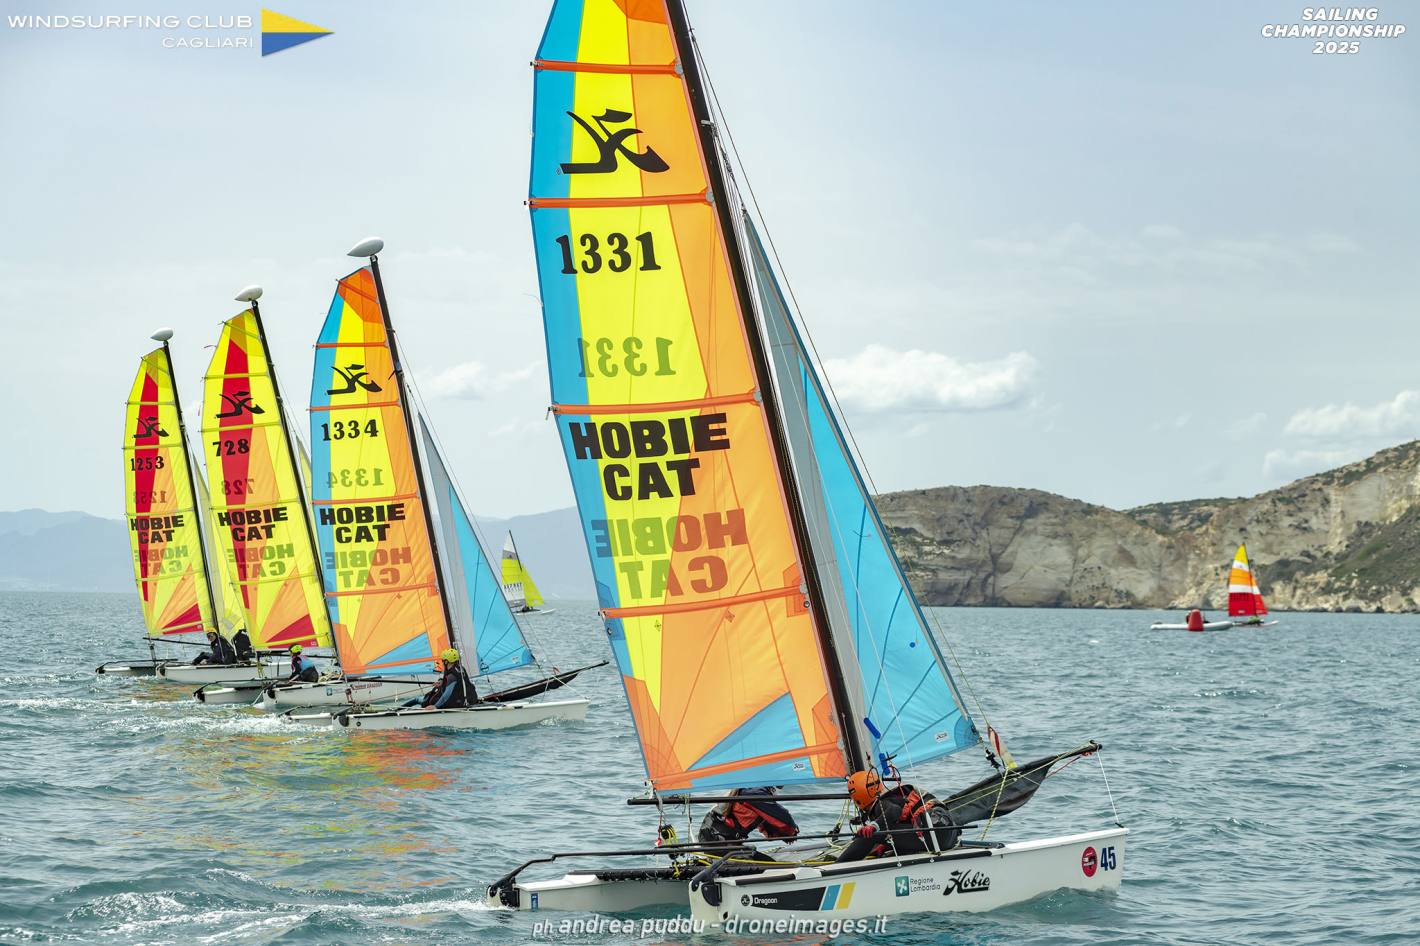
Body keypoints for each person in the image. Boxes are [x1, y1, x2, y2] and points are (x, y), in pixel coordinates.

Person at [835, 769, 958, 862]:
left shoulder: (880, 804)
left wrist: (873, 826)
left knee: (869, 835)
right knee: (880, 836)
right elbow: (903, 826)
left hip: (933, 836)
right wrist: (886, 845)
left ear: (857, 796)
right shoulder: (895, 797)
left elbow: (895, 811)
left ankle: (837, 867)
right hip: (948, 837)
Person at [698, 787, 799, 849]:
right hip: (717, 839)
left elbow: (767, 824)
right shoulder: (755, 791)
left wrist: (783, 835)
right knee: (766, 868)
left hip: (718, 838)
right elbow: (780, 816)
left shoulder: (754, 788)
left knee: (761, 861)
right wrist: (792, 831)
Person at [404, 648, 478, 709]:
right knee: (423, 698)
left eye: (443, 660)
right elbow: (458, 683)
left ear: (446, 662)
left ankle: (399, 710)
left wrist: (435, 706)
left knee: (418, 699)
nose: (442, 662)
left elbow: (446, 695)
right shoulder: (460, 668)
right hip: (470, 698)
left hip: (458, 702)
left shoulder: (451, 676)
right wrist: (443, 682)